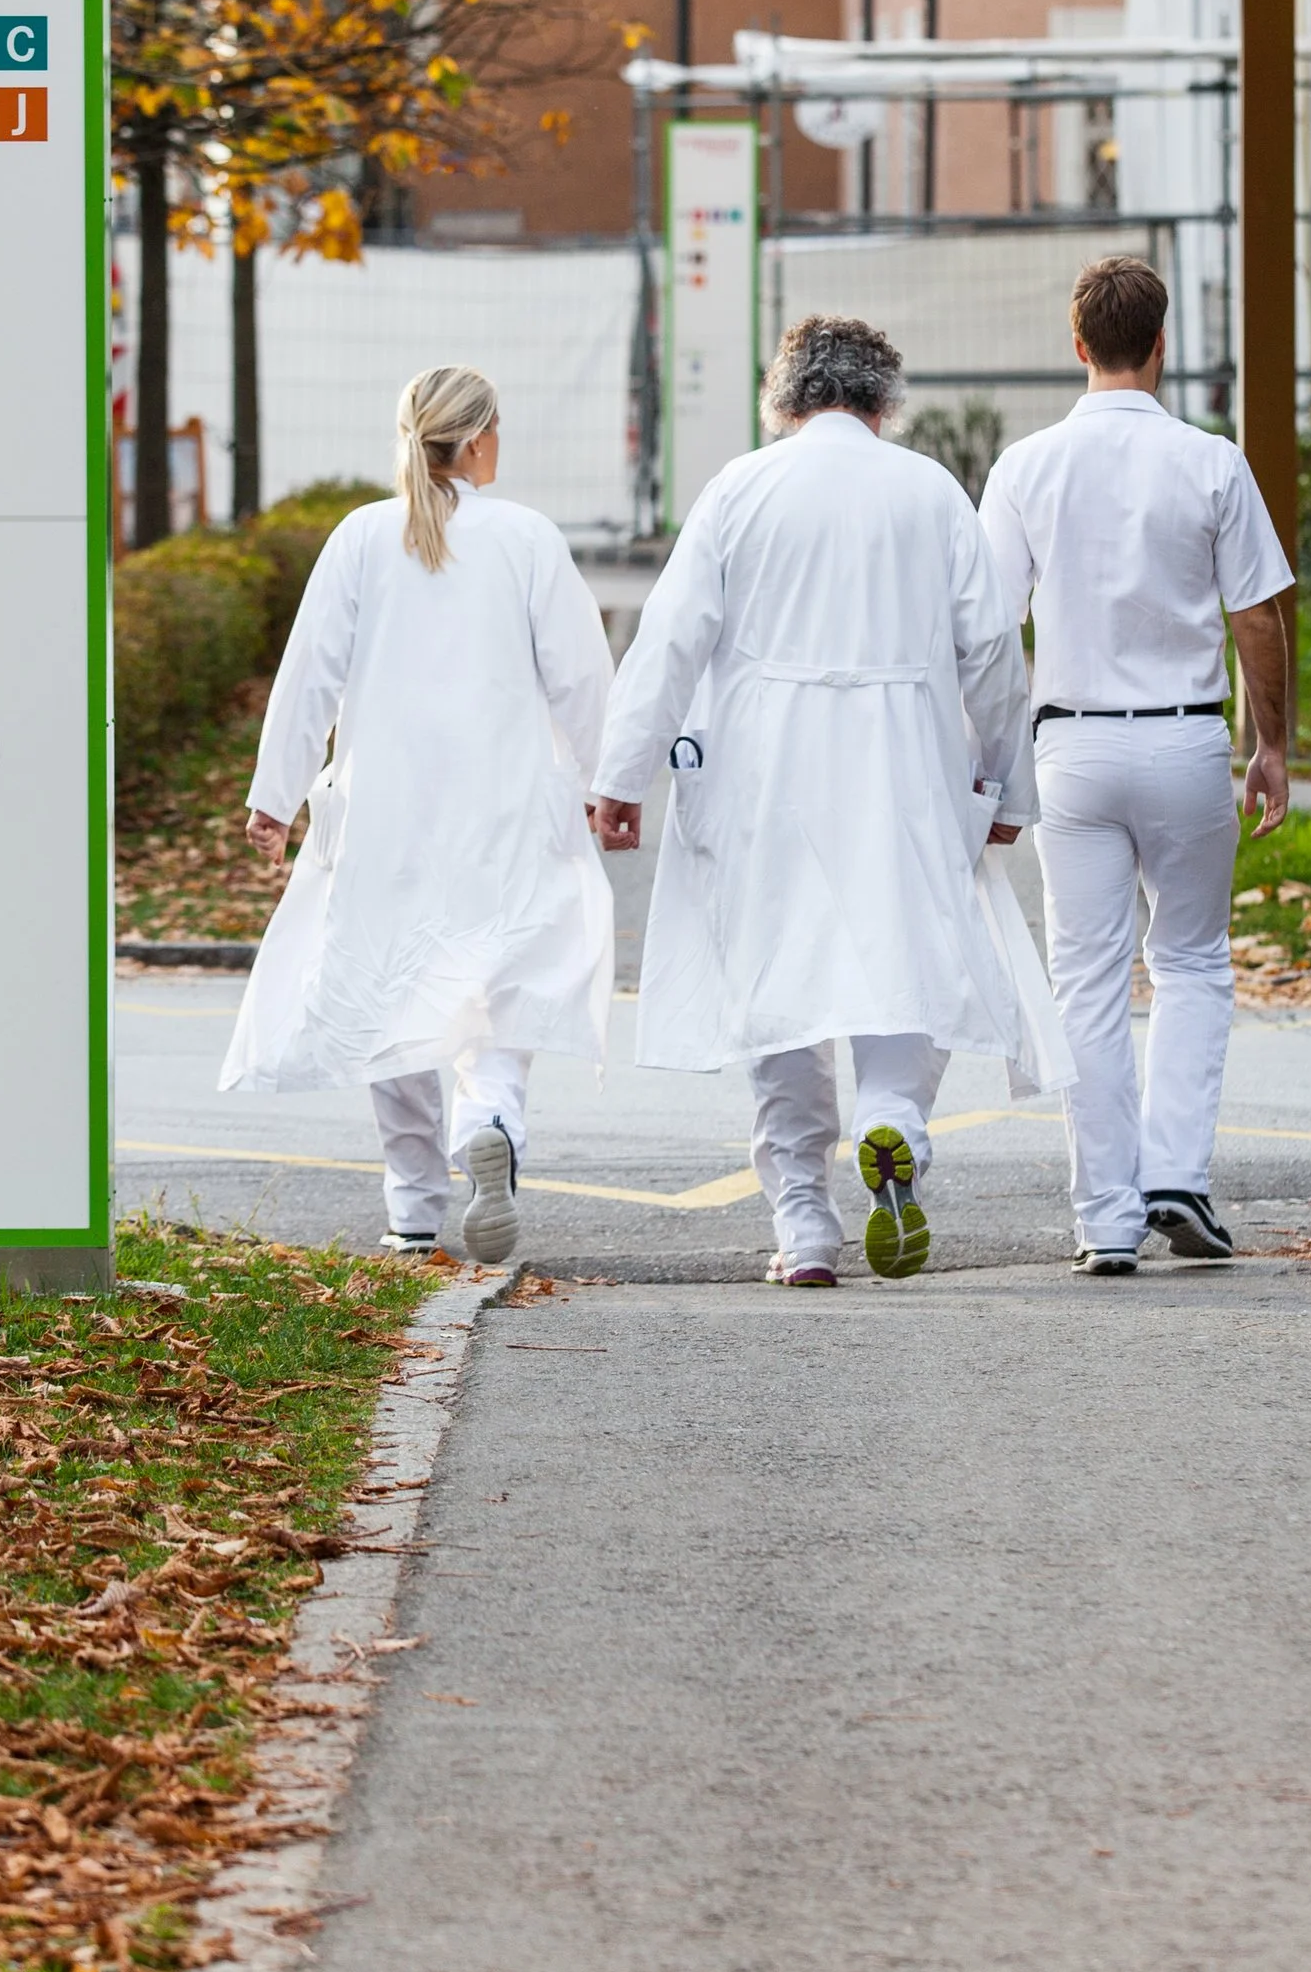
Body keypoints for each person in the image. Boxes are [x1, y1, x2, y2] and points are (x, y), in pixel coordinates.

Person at [591, 314, 1057, 1289]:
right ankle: (894, 1123)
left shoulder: (740, 488)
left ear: (784, 401)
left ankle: (802, 1219)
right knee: (904, 958)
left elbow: (670, 640)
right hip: (903, 768)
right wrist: (1005, 784)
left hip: (764, 772)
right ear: (884, 406)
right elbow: (992, 658)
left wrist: (620, 777)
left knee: (780, 986)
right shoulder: (929, 493)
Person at [218, 363, 614, 1265]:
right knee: (506, 976)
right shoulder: (526, 538)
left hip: (386, 809)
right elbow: (581, 677)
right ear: (475, 441)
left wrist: (274, 798)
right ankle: (491, 1121)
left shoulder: (361, 537)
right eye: (499, 428)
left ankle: (412, 1209)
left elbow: (307, 672)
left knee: (388, 989)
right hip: (507, 805)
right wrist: (605, 782)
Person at [979, 253, 1292, 1277]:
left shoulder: (1024, 469)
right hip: (1186, 739)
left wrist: (990, 766)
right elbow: (1255, 614)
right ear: (1162, 347)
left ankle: (1105, 1216)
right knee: (1194, 963)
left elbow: (988, 632)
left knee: (1086, 979)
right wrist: (1271, 744)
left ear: (1077, 348)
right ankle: (1175, 1179)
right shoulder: (1212, 463)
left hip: (1069, 745)